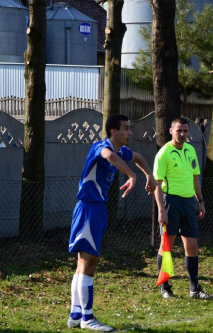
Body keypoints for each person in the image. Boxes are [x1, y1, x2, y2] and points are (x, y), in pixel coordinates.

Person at [67, 114, 157, 331]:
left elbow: (137, 157)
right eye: (126, 128)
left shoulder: (121, 150)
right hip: (89, 208)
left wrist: (148, 175)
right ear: (113, 132)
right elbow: (109, 157)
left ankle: (76, 315)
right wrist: (132, 176)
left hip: (96, 209)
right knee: (89, 262)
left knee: (84, 263)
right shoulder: (101, 146)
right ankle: (87, 319)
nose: (130, 132)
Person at [153, 117, 213, 299]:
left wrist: (200, 201)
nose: (182, 134)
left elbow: (195, 178)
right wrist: (161, 210)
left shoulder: (190, 150)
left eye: (185, 131)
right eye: (178, 131)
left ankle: (194, 289)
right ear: (171, 131)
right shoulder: (164, 153)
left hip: (189, 203)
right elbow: (157, 184)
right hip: (171, 202)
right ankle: (165, 287)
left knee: (192, 247)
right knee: (167, 247)